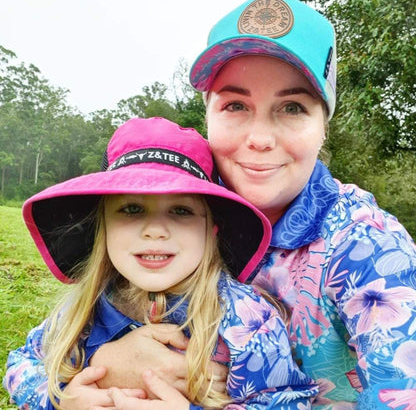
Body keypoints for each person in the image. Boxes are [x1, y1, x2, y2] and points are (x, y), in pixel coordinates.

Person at [5, 0, 416, 408]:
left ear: (324, 124)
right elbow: (33, 357)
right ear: (208, 116)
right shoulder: (182, 197)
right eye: (235, 105)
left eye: (292, 107)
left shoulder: (368, 246)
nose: (260, 138)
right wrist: (95, 369)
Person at [3, 116, 319, 410]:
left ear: (212, 228)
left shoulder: (245, 320)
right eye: (131, 209)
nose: (155, 230)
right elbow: (21, 363)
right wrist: (60, 399)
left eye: (181, 210)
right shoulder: (82, 310)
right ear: (103, 225)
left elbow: (286, 401)